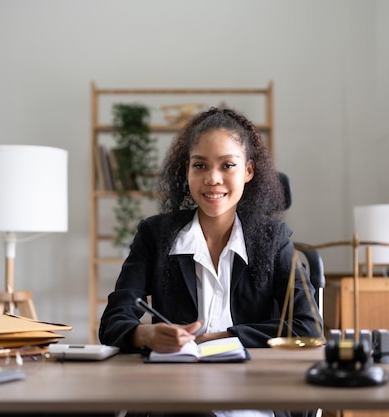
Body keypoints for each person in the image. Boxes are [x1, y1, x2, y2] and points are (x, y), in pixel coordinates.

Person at [99, 107, 322, 417]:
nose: (212, 179)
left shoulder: (274, 240)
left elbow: (308, 328)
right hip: (176, 397)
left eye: (227, 165)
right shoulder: (156, 235)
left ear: (248, 171)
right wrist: (145, 334)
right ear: (186, 171)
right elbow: (114, 319)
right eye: (199, 165)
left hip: (253, 396)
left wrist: (225, 337)